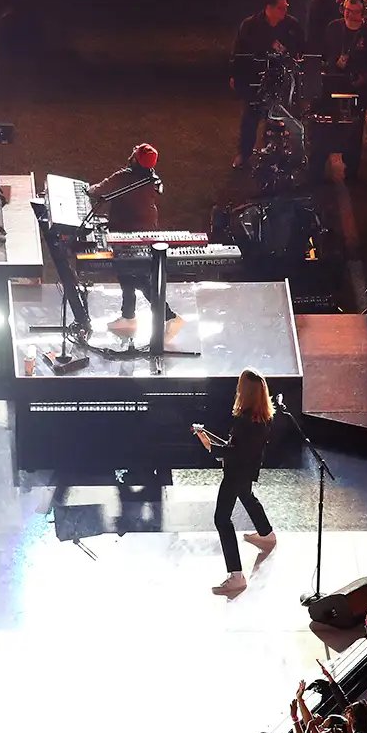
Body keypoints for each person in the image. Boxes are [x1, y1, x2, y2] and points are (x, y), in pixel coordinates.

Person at [194, 369, 276, 596]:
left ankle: (236, 575)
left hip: (236, 473)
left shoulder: (244, 421)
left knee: (221, 518)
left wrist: (209, 445)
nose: (237, 389)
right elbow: (240, 447)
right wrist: (218, 443)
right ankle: (267, 535)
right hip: (247, 471)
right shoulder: (261, 417)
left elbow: (234, 452)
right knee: (247, 496)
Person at [88, 143, 178, 335]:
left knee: (139, 279)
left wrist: (87, 189)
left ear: (136, 159)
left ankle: (170, 317)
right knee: (126, 274)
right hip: (145, 233)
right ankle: (128, 316)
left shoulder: (124, 178)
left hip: (125, 234)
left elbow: (98, 191)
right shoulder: (152, 180)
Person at [231, 0, 306, 168]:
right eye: (281, 8)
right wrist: (235, 75)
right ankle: (244, 154)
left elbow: (301, 49)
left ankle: (284, 155)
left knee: (284, 117)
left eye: (286, 7)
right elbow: (238, 52)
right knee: (250, 117)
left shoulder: (292, 26)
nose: (284, 11)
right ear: (269, 8)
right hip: (255, 79)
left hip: (284, 79)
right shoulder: (250, 25)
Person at [322, 0, 367, 178]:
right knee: (328, 123)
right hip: (334, 82)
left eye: (355, 12)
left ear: (362, 13)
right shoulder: (333, 28)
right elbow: (324, 54)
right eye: (347, 10)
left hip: (359, 86)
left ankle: (352, 168)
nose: (350, 15)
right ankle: (323, 161)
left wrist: (365, 78)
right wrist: (334, 62)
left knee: (355, 128)